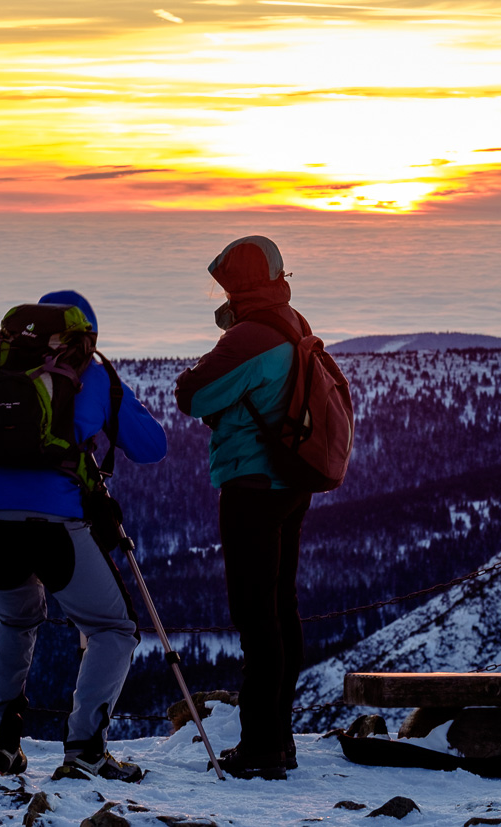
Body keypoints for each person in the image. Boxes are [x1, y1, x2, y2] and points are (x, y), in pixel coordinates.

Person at [0, 290, 167, 781]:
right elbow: (151, 447)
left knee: (14, 620)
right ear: (85, 335)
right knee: (113, 628)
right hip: (52, 516)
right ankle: (85, 750)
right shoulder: (90, 372)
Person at [174, 236, 314, 780]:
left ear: (237, 284)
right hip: (289, 482)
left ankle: (260, 748)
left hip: (251, 483)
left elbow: (191, 393)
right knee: (281, 609)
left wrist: (229, 339)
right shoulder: (291, 321)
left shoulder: (250, 336)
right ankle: (279, 739)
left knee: (256, 618)